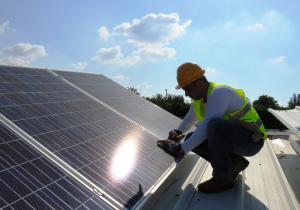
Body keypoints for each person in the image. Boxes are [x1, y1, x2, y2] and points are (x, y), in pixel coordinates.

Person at [157, 62, 267, 194]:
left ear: (199, 83)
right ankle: (233, 163)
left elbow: (207, 125)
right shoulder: (199, 99)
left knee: (215, 125)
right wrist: (178, 131)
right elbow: (190, 119)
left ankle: (222, 179)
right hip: (236, 140)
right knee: (191, 137)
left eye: (187, 89)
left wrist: (182, 148)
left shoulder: (220, 93)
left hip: (251, 141)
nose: (186, 94)